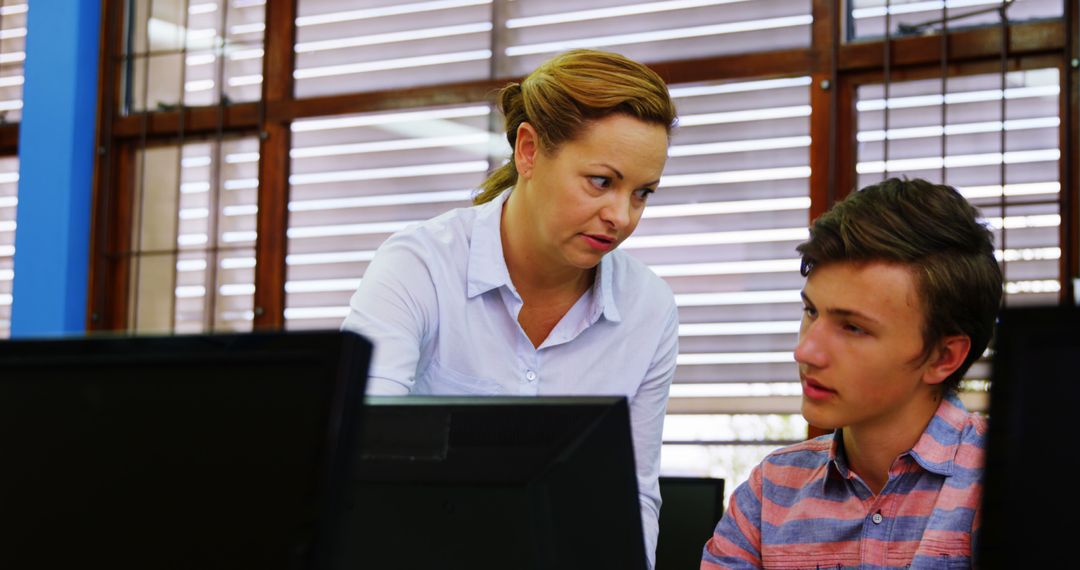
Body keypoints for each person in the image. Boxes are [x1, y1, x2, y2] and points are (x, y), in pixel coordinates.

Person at [342, 49, 679, 567]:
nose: (621, 216)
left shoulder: (649, 309)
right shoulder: (419, 267)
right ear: (528, 150)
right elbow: (356, 457)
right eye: (601, 181)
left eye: (642, 193)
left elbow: (633, 493)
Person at [701, 178, 1003, 569]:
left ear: (943, 357)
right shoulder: (770, 490)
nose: (805, 350)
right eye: (811, 312)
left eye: (853, 328)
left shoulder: (1003, 485)